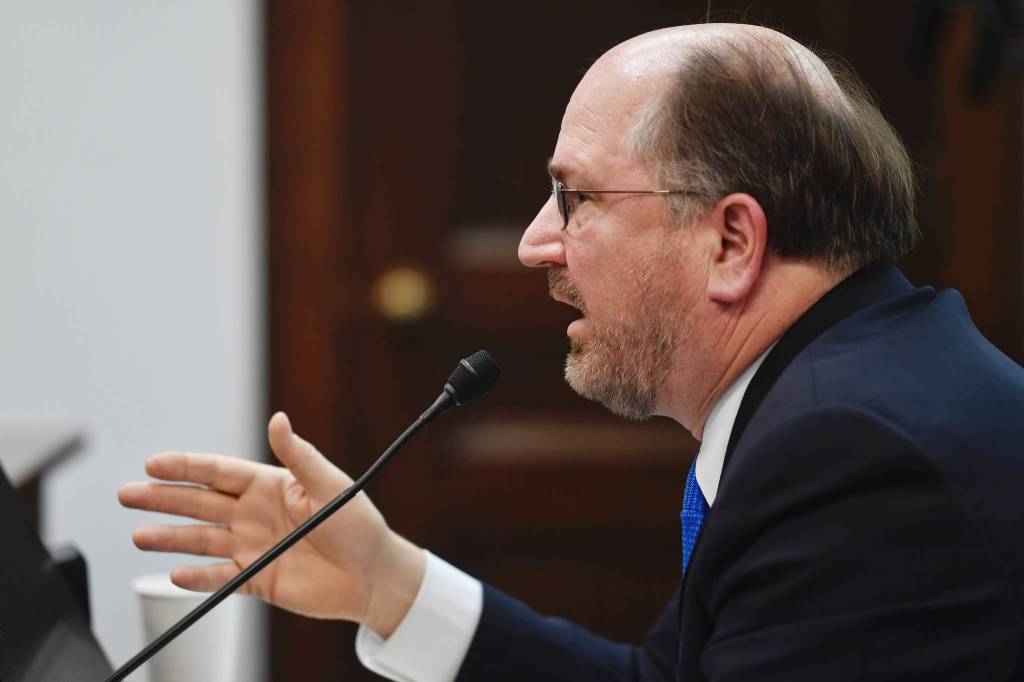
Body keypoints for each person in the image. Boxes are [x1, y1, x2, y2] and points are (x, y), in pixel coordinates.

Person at [118, 23, 1024, 681]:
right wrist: (386, 583)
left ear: (731, 243)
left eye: (575, 199)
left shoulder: (851, 456)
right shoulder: (846, 386)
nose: (531, 244)